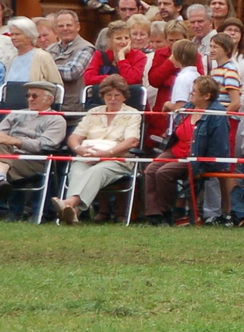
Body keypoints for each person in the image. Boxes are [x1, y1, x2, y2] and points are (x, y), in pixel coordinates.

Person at [52, 76, 141, 223]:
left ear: (124, 97)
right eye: (108, 95)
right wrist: (78, 149)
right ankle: (73, 212)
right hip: (88, 155)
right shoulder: (94, 112)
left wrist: (105, 154)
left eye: (117, 95)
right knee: (77, 170)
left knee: (96, 171)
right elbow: (74, 137)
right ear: (103, 97)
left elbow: (132, 141)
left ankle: (69, 204)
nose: (112, 99)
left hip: (116, 158)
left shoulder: (132, 114)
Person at [141, 76, 220, 225]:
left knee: (164, 172)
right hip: (177, 149)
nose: (190, 94)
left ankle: (167, 212)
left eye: (194, 92)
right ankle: (154, 214)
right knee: (151, 169)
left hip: (194, 157)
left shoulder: (216, 114)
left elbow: (218, 145)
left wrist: (208, 162)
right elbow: (177, 117)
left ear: (206, 96)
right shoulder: (189, 107)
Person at [0, 82, 68, 205]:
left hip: (33, 159)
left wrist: (17, 141)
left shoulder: (56, 119)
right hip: (8, 154)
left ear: (49, 99)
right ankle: (1, 178)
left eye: (35, 96)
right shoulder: (17, 114)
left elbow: (46, 145)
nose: (30, 99)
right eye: (28, 96)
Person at [46, 10, 94, 108]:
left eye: (69, 25)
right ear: (55, 29)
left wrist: (46, 68)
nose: (65, 29)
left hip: (72, 108)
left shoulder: (86, 48)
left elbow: (72, 72)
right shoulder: (50, 49)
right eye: (61, 26)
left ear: (78, 27)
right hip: (50, 106)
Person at [4, 17, 61, 89]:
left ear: (29, 36)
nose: (13, 38)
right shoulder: (11, 59)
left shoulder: (42, 56)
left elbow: (57, 86)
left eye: (17, 34)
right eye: (12, 34)